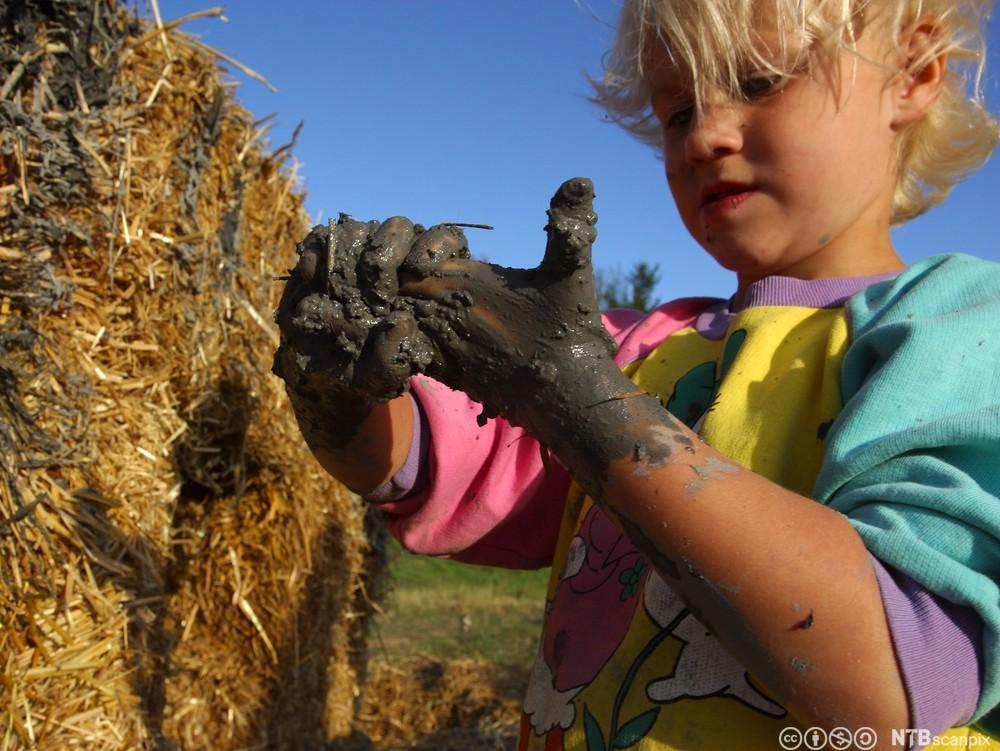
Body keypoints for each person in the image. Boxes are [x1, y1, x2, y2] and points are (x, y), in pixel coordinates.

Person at [272, 0, 1000, 748]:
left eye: (760, 79)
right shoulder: (637, 347)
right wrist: (341, 390)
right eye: (678, 110)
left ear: (913, 73)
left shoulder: (958, 330)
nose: (706, 137)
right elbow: (436, 464)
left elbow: (897, 677)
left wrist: (574, 390)